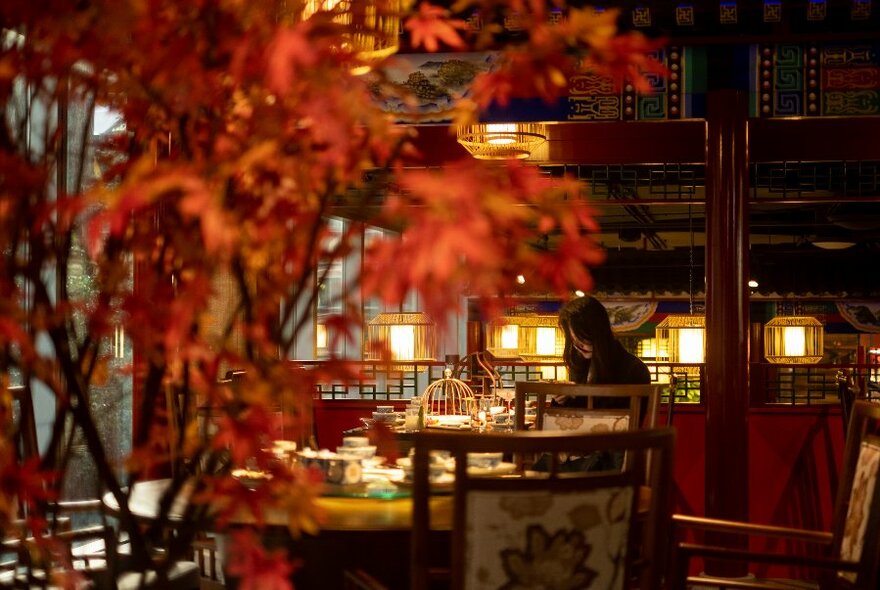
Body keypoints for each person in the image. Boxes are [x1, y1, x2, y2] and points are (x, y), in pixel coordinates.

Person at [555, 295, 650, 407]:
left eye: (582, 338)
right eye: (574, 341)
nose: (578, 346)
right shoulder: (580, 362)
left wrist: (578, 397)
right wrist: (563, 399)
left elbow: (628, 420)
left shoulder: (634, 369)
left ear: (598, 332)